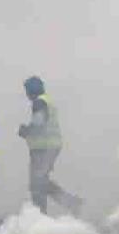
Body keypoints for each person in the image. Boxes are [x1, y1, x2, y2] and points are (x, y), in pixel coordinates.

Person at [18, 76, 81, 214]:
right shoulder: (46, 101)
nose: (27, 94)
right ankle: (70, 202)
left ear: (32, 90)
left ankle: (41, 215)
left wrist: (25, 131)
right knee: (40, 181)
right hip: (49, 147)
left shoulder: (39, 102)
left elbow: (39, 124)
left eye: (27, 90)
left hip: (44, 148)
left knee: (37, 184)